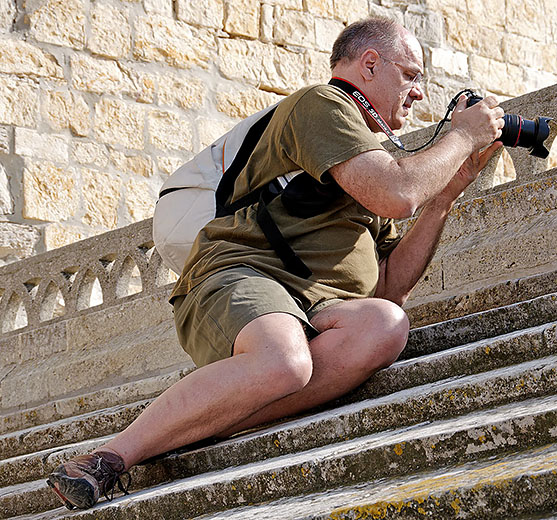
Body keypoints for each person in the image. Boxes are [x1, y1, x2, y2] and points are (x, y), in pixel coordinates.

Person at [46, 16, 504, 510]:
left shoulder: (377, 155)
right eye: (411, 74)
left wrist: (445, 197)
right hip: (242, 274)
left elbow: (390, 287)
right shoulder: (323, 105)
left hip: (315, 308)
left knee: (386, 324)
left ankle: (208, 415)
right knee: (285, 359)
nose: (418, 94)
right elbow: (397, 192)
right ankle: (107, 459)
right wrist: (461, 136)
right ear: (370, 64)